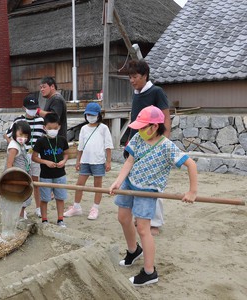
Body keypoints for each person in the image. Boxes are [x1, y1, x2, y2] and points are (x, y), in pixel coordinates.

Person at [109, 105, 197, 286]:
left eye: (143, 127)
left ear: (154, 126)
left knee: (143, 229)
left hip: (148, 191)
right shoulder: (138, 139)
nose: (139, 130)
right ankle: (133, 251)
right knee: (123, 217)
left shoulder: (167, 146)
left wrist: (192, 192)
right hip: (129, 183)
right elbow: (129, 161)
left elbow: (191, 164)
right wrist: (118, 181)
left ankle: (149, 272)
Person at [127, 59, 171, 236]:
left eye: (135, 77)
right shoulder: (136, 93)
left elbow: (166, 118)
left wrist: (162, 143)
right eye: (130, 77)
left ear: (145, 76)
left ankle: (155, 222)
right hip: (136, 142)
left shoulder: (156, 92)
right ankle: (142, 217)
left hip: (153, 144)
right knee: (136, 182)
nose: (132, 80)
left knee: (152, 184)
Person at [64, 102, 113, 220]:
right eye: (88, 114)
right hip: (85, 160)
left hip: (98, 160)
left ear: (98, 115)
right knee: (79, 184)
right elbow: (80, 146)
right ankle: (76, 207)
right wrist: (78, 161)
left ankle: (95, 208)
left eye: (92, 114)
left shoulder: (103, 128)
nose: (90, 117)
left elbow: (108, 145)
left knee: (98, 186)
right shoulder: (84, 129)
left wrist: (108, 161)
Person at [4, 94, 45, 218]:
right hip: (21, 156)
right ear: (24, 107)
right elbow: (7, 134)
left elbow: (44, 136)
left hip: (35, 156)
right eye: (30, 108)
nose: (32, 110)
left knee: (36, 182)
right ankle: (23, 209)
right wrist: (14, 145)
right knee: (22, 182)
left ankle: (38, 207)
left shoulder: (40, 121)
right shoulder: (18, 121)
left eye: (34, 108)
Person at [32, 113, 69, 227]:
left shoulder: (62, 140)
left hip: (60, 174)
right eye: (49, 128)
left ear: (59, 127)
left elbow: (66, 154)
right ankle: (44, 220)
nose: (52, 130)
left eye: (55, 128)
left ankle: (60, 219)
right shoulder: (41, 141)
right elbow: (34, 157)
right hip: (45, 175)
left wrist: (63, 161)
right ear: (44, 128)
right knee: (45, 199)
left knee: (60, 197)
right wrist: (46, 162)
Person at [5, 121, 32, 219]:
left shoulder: (21, 145)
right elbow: (9, 164)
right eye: (21, 134)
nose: (23, 137)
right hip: (17, 178)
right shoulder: (13, 147)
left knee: (22, 200)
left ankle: (20, 217)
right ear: (14, 132)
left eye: (26, 135)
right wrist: (13, 179)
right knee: (18, 200)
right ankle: (18, 219)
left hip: (23, 176)